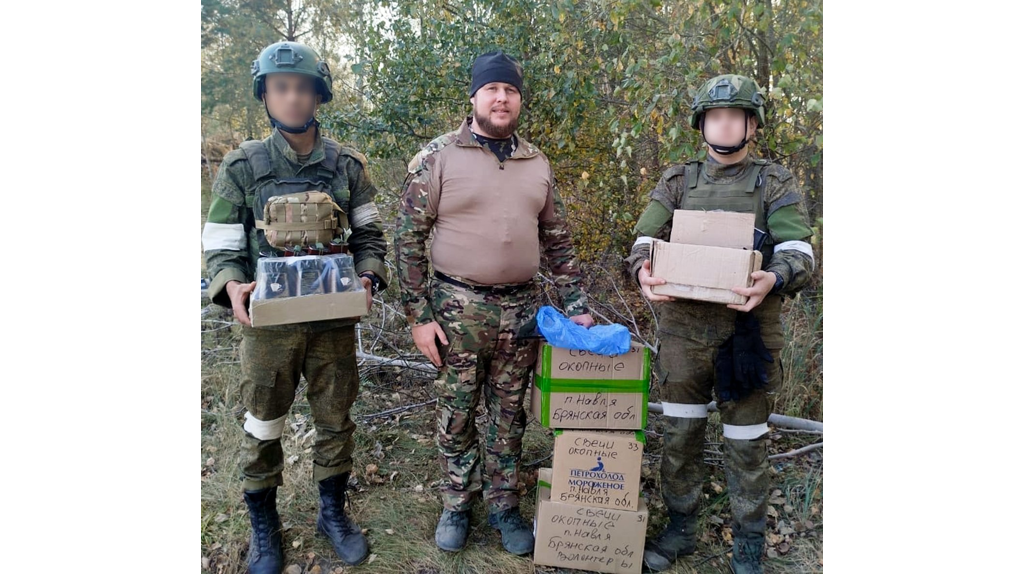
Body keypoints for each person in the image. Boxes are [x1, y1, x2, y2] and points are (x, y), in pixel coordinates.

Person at [394, 50, 594, 555]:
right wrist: (419, 318)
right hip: (456, 310)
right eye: (492, 90)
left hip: (522, 312)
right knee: (457, 412)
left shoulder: (536, 162)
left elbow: (559, 241)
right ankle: (458, 503)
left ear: (519, 100)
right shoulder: (438, 157)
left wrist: (575, 304)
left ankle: (504, 506)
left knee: (510, 415)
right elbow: (407, 241)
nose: (501, 98)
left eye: (510, 91)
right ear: (475, 97)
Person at [201, 40, 388, 573]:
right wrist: (232, 287)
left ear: (318, 94)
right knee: (263, 422)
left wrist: (369, 274)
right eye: (281, 88)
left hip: (332, 322)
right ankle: (265, 527)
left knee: (335, 419)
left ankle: (332, 514)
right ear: (267, 94)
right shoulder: (243, 166)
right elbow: (220, 246)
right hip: (269, 328)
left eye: (302, 87)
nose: (292, 97)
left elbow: (371, 235)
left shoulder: (346, 166)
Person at [624, 74, 815, 574]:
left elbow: (800, 251)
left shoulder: (773, 181)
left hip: (746, 331)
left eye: (735, 115)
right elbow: (644, 237)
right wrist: (643, 269)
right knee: (680, 434)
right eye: (715, 115)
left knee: (746, 440)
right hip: (684, 330)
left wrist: (773, 278)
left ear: (751, 125)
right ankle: (682, 526)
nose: (724, 124)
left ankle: (748, 539)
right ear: (702, 123)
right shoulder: (678, 179)